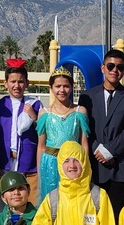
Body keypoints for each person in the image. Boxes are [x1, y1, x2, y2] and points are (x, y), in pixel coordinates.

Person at [78, 49, 124, 225]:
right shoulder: (87, 97)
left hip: (118, 166)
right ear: (103, 68)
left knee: (115, 215)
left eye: (120, 67)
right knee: (93, 215)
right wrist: (97, 148)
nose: (115, 70)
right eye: (111, 66)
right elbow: (85, 128)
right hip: (94, 165)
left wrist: (109, 151)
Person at [0, 59, 44, 205]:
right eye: (13, 81)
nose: (16, 86)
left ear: (27, 83)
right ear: (5, 83)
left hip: (30, 167)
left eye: (20, 81)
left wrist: (34, 117)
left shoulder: (36, 104)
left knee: (31, 205)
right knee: (4, 205)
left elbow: (44, 134)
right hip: (4, 166)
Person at [36, 66, 90, 200]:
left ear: (71, 87)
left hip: (73, 164)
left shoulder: (80, 112)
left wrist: (85, 167)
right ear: (51, 87)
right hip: (50, 163)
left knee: (73, 199)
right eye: (58, 86)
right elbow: (41, 146)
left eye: (66, 86)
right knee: (52, 201)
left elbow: (84, 144)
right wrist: (39, 171)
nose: (62, 90)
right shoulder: (44, 113)